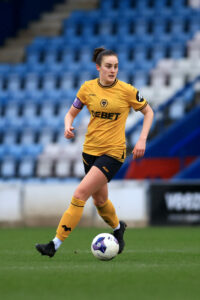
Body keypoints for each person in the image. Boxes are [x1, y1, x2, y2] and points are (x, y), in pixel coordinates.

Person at [35, 47, 154, 258]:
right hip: (89, 152)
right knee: (100, 202)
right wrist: (67, 126)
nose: (113, 70)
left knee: (80, 194)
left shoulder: (126, 90)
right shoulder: (87, 88)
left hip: (113, 153)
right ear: (98, 67)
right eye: (108, 66)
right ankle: (118, 228)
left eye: (116, 66)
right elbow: (70, 113)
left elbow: (148, 112)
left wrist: (142, 139)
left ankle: (54, 244)